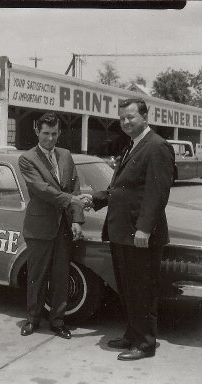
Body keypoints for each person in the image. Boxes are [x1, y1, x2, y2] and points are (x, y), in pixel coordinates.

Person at [86, 98, 175, 360]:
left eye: (131, 117)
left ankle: (145, 344)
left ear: (145, 117)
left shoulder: (157, 146)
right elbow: (123, 189)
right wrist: (96, 199)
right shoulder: (132, 146)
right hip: (122, 232)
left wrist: (144, 229)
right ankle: (132, 334)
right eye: (122, 118)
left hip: (140, 235)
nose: (125, 122)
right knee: (127, 288)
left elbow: (157, 194)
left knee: (142, 290)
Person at [18, 112, 86, 339]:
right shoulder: (27, 158)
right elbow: (41, 189)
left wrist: (76, 219)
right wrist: (71, 200)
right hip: (39, 227)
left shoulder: (66, 155)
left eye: (54, 133)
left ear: (59, 132)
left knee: (60, 277)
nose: (50, 138)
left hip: (64, 228)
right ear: (37, 131)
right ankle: (32, 320)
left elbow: (75, 187)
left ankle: (58, 322)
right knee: (36, 277)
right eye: (45, 133)